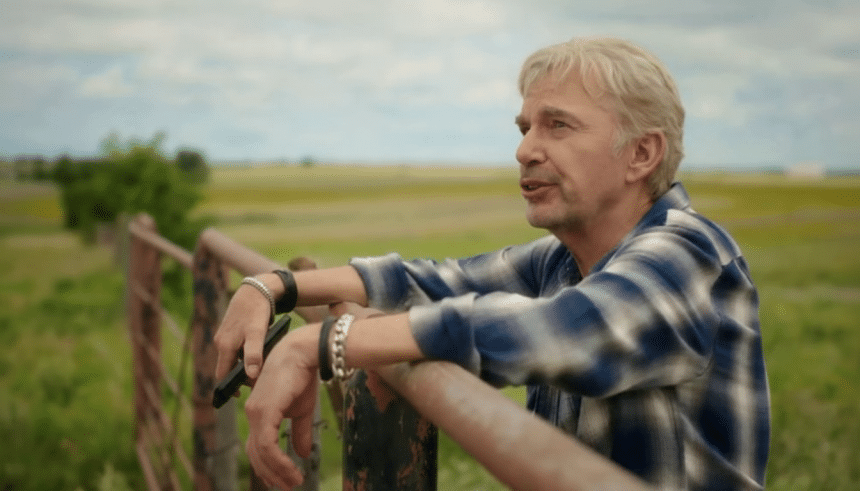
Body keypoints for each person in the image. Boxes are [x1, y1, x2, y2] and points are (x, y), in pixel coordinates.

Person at [214, 36, 771, 490]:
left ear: (641, 154)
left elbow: (562, 331)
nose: (525, 150)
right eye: (525, 127)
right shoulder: (566, 259)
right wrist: (273, 286)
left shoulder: (690, 255)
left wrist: (323, 344)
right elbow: (429, 281)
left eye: (558, 125)